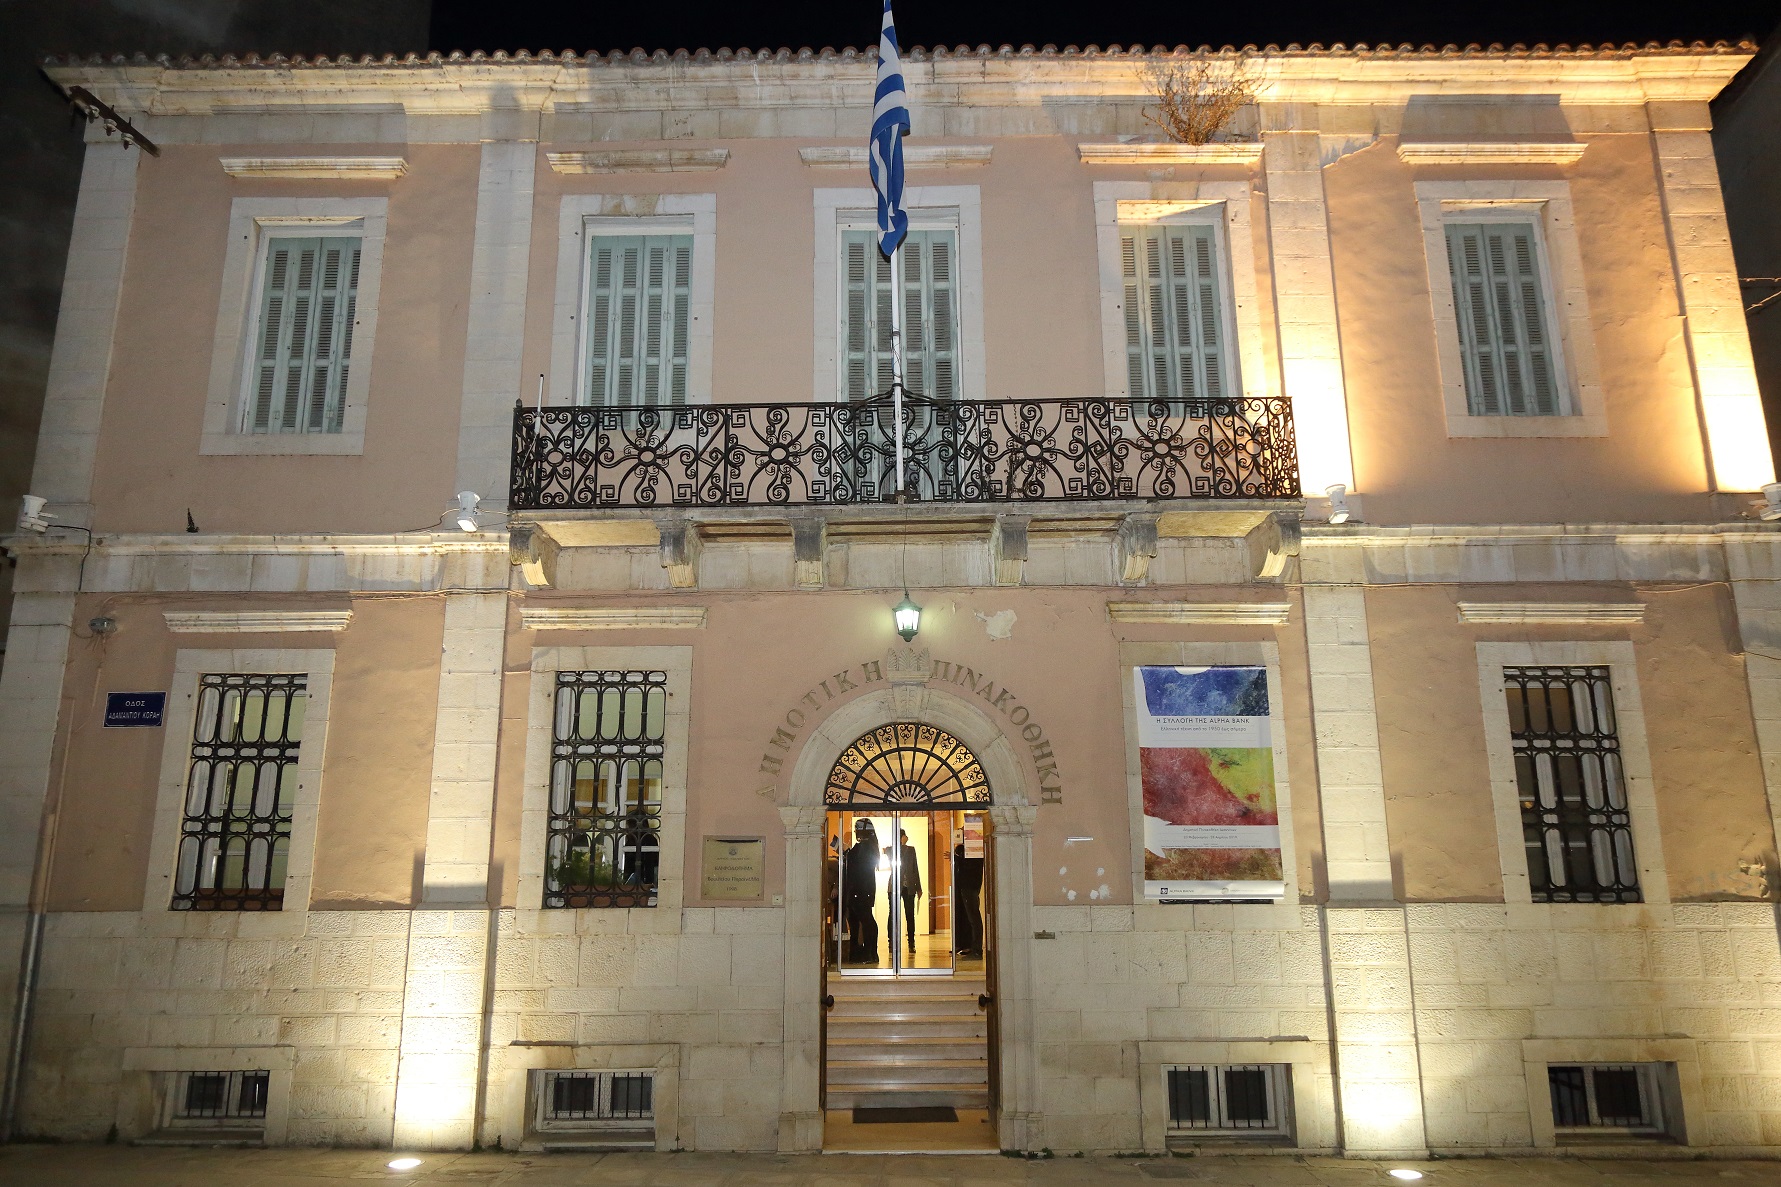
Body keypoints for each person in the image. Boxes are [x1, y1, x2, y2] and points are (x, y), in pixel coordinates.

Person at [843, 820, 880, 963]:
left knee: (865, 921)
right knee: (866, 920)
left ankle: (867, 953)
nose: (854, 832)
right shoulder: (870, 847)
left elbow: (856, 867)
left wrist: (847, 852)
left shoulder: (864, 847)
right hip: (864, 888)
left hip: (859, 889)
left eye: (856, 829)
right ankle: (868, 952)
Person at [953, 839, 984, 957]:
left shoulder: (974, 852)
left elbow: (969, 867)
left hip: (970, 886)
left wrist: (957, 858)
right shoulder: (974, 851)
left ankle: (977, 949)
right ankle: (974, 947)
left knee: (974, 917)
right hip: (971, 885)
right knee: (973, 917)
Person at [896, 828, 922, 956]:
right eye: (904, 836)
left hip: (909, 886)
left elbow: (915, 868)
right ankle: (893, 943)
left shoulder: (911, 850)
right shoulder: (893, 849)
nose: (906, 837)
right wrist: (900, 844)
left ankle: (911, 942)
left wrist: (919, 887)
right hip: (897, 886)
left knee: (910, 916)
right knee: (894, 915)